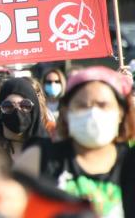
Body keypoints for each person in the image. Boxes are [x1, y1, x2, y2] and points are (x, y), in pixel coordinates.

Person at [14, 66, 135, 218]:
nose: (93, 113)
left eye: (103, 105)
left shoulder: (130, 162)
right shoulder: (39, 158)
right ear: (65, 113)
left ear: (121, 112)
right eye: (82, 105)